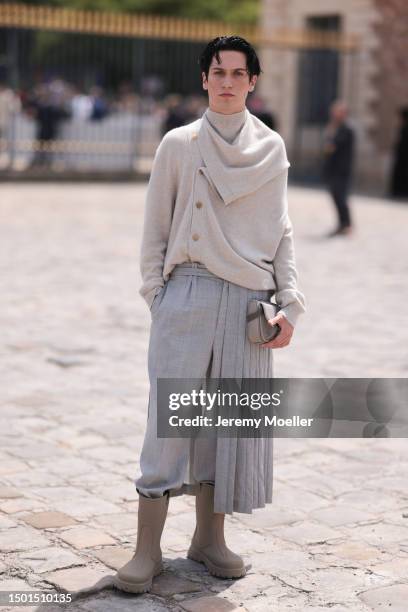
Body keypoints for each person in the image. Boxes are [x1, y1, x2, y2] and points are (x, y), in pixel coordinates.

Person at [114, 35, 306, 594]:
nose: (226, 82)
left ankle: (208, 540)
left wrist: (289, 302)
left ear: (252, 82)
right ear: (204, 79)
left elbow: (283, 232)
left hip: (247, 301)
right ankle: (146, 550)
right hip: (188, 294)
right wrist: (160, 299)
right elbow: (155, 229)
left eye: (237, 73)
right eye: (217, 72)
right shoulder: (179, 144)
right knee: (168, 425)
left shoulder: (272, 148)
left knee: (224, 428)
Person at [322, 100, 355, 237]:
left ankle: (347, 224)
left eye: (337, 112)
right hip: (333, 168)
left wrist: (331, 136)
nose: (334, 114)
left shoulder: (347, 129)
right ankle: (341, 224)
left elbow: (333, 146)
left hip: (342, 169)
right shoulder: (336, 128)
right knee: (336, 197)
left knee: (341, 198)